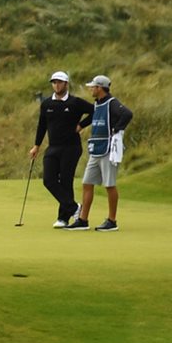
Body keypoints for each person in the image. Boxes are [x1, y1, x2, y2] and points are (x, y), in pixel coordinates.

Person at [31, 73, 95, 227]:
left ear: (66, 84)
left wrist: (81, 125)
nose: (56, 85)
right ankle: (74, 208)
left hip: (71, 148)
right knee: (49, 180)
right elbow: (42, 126)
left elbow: (94, 111)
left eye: (59, 82)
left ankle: (63, 218)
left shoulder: (75, 102)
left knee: (66, 181)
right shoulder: (46, 104)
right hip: (53, 147)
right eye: (54, 83)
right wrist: (36, 146)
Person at [70, 75, 132, 231]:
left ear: (100, 88)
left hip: (108, 149)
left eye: (93, 87)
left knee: (109, 185)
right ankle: (83, 220)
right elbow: (92, 118)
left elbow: (127, 114)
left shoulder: (112, 103)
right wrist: (81, 126)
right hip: (96, 149)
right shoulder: (97, 104)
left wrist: (117, 129)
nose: (90, 89)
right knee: (87, 183)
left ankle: (112, 221)